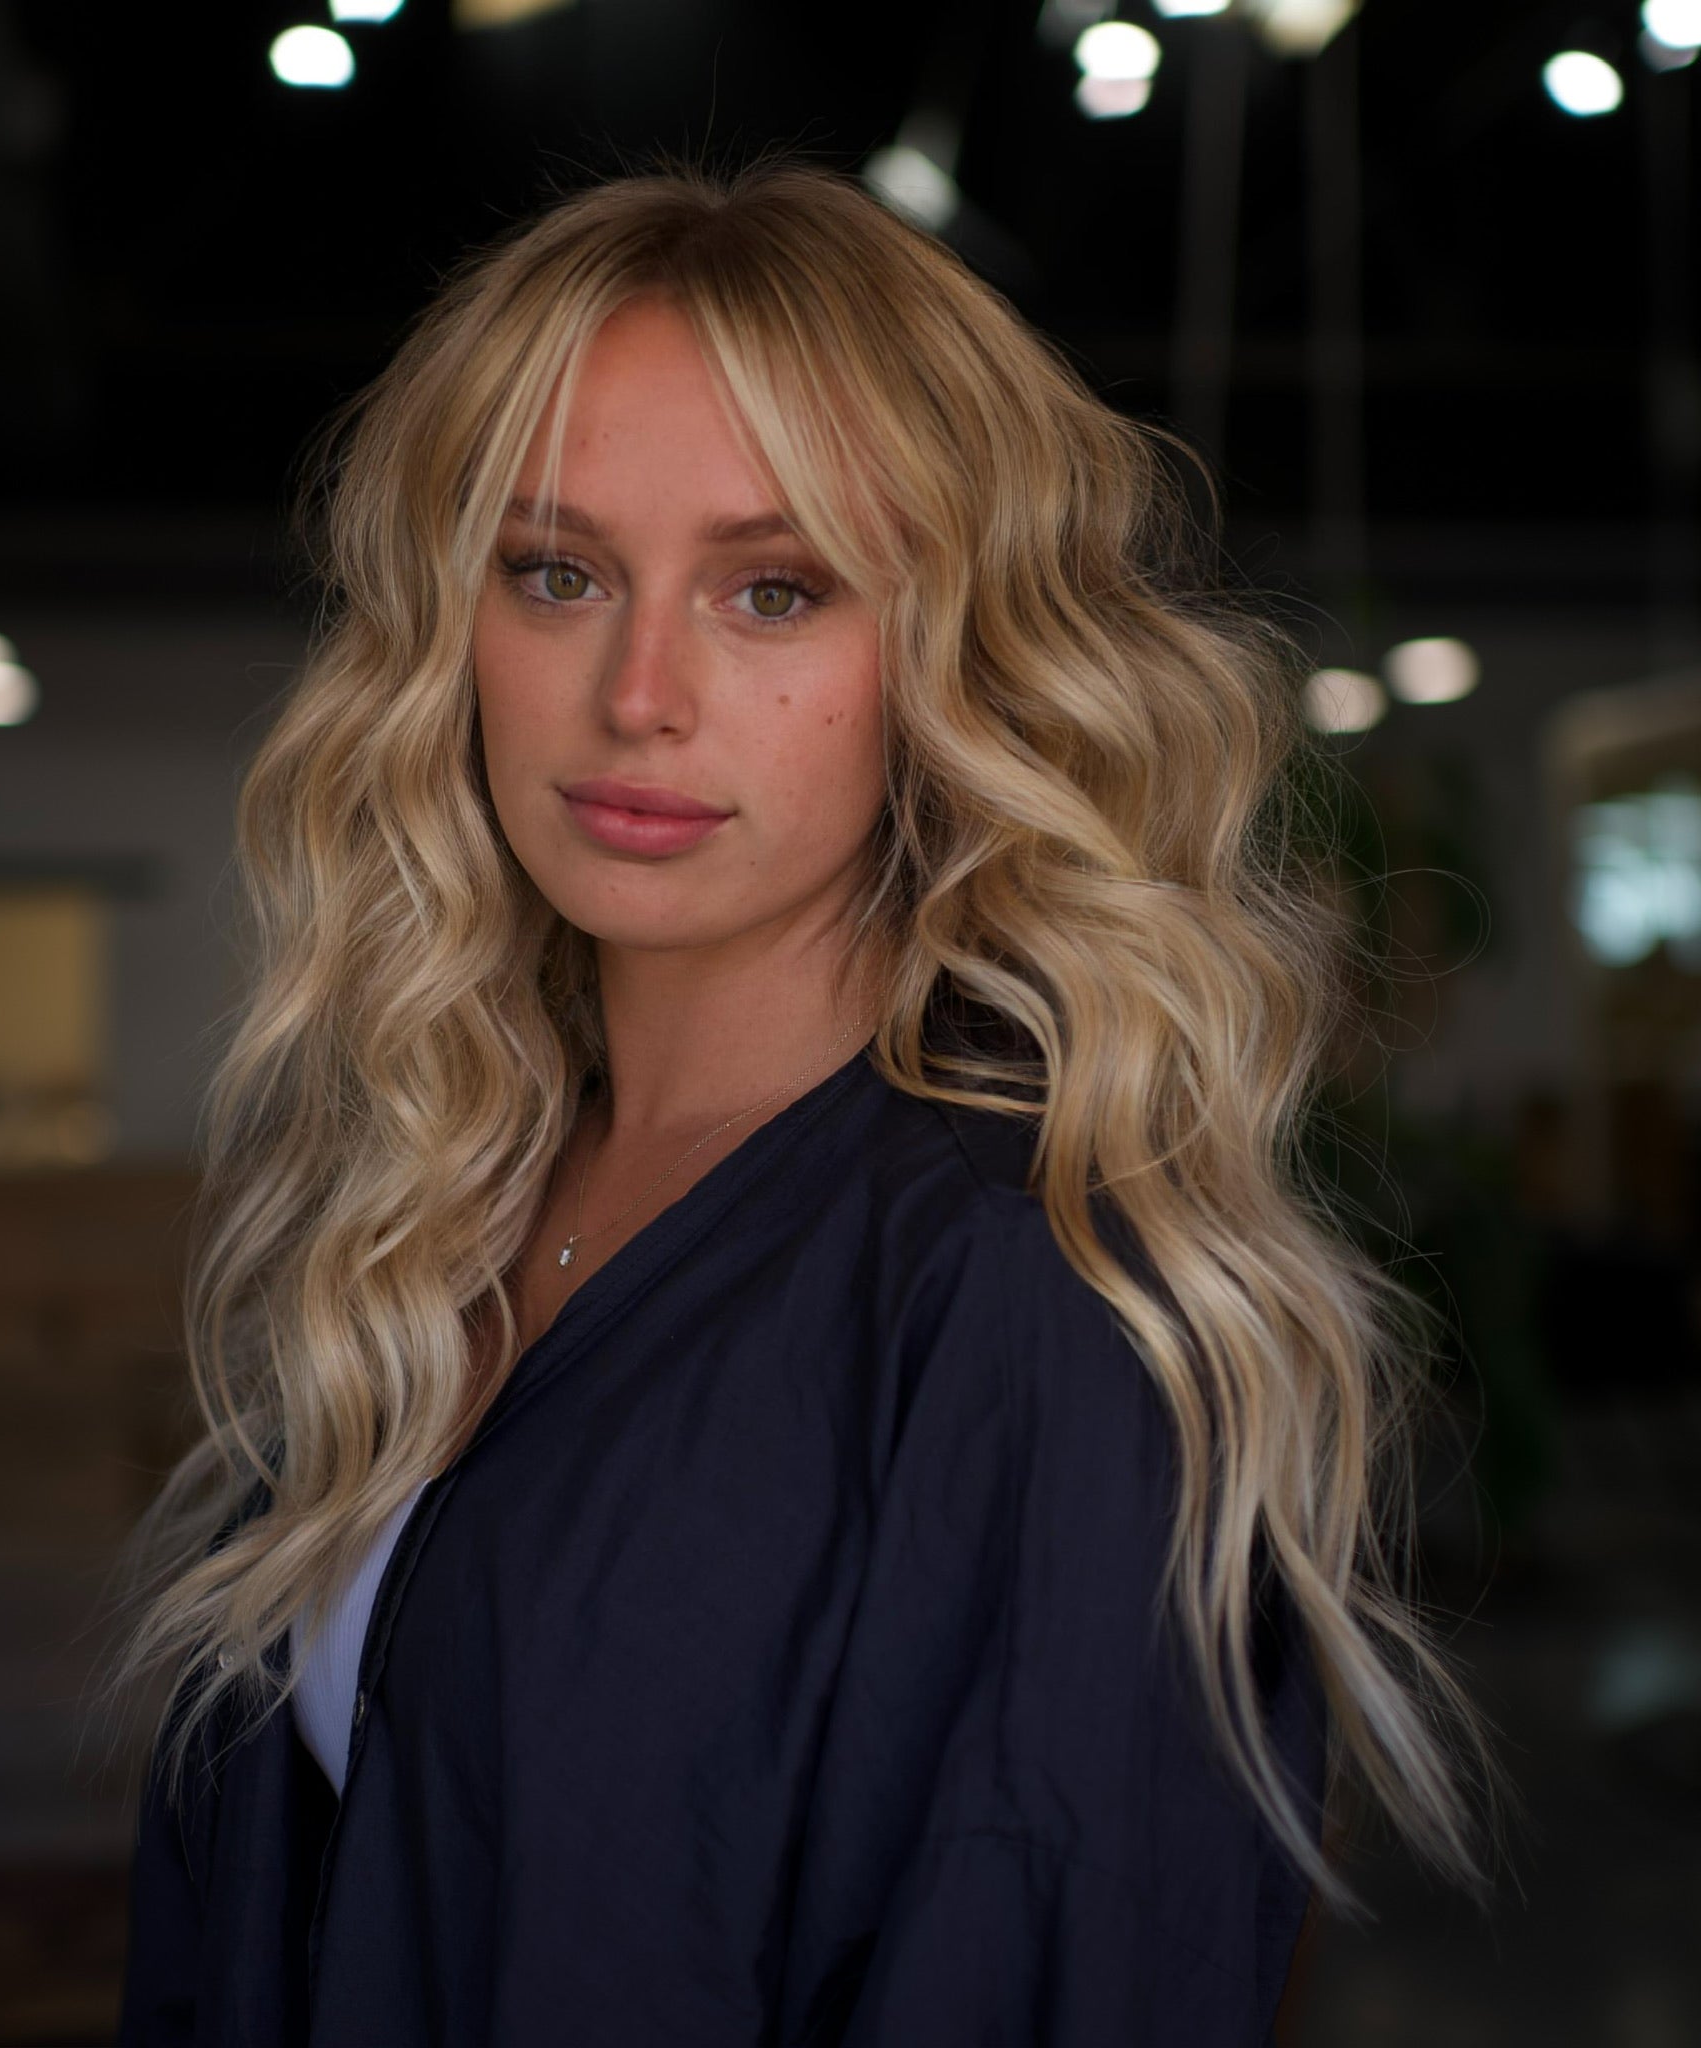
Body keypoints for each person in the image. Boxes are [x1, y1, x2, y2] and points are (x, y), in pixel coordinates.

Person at [110, 154, 1492, 2046]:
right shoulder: (434, 1218)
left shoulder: (1020, 1302)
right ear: (456, 632)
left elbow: (1048, 1968)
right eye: (556, 572)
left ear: (946, 658)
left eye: (774, 589)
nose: (640, 690)